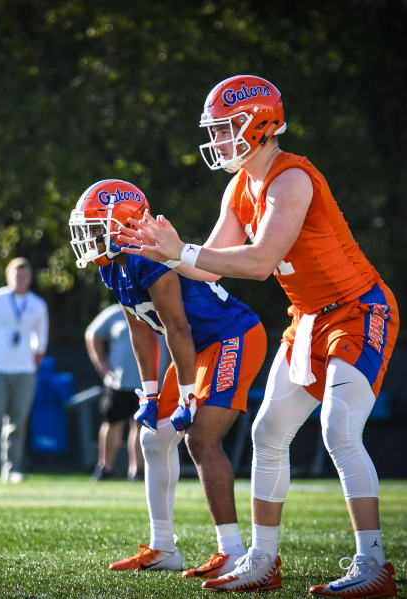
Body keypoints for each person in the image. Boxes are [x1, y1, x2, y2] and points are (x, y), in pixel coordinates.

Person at [118, 74, 400, 597]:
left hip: (360, 310)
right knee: (267, 433)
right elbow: (209, 268)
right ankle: (263, 561)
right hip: (309, 318)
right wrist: (164, 250)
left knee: (340, 430)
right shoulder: (240, 185)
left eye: (228, 128)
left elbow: (261, 261)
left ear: (261, 124)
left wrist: (182, 252)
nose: (220, 140)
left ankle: (374, 564)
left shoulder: (292, 178)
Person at [69, 179, 267, 583]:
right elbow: (140, 329)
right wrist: (151, 390)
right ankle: (163, 548)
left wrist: (190, 394)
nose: (88, 238)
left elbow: (177, 328)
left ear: (122, 225)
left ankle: (232, 552)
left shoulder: (148, 257)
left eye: (94, 227)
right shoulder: (114, 266)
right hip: (194, 346)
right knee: (153, 437)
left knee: (201, 437)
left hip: (231, 336)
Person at [0, 257, 48, 484]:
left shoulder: (37, 305)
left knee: (18, 421)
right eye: (16, 274)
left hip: (23, 369)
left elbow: (41, 340)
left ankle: (11, 470)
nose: (20, 279)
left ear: (30, 278)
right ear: (8, 276)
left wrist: (32, 365)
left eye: (24, 275)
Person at [85, 304, 170, 481]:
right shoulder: (116, 311)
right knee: (112, 423)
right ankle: (105, 469)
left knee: (141, 427)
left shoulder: (163, 309)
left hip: (153, 385)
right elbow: (92, 334)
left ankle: (137, 471)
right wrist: (100, 364)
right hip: (120, 382)